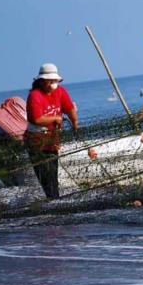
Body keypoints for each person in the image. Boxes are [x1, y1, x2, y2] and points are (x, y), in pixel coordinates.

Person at [25, 63, 91, 199]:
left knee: (53, 174)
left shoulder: (60, 91)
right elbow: (37, 119)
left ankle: (54, 200)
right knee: (45, 176)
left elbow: (69, 108)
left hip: (53, 140)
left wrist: (75, 123)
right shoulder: (34, 95)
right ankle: (53, 200)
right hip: (36, 142)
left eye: (53, 81)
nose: (51, 84)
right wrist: (56, 118)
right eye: (48, 81)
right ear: (41, 81)